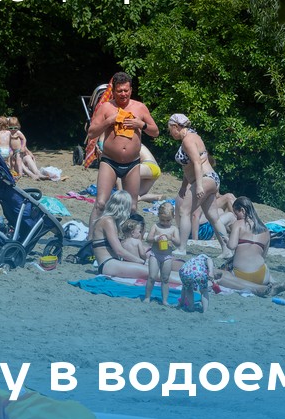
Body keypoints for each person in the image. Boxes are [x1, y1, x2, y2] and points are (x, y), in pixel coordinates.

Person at [87, 73, 159, 221]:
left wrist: (141, 124)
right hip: (109, 161)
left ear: (131, 90)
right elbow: (91, 132)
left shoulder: (140, 107)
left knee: (132, 206)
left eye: (126, 90)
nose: (123, 94)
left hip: (132, 163)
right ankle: (92, 234)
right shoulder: (106, 107)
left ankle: (127, 234)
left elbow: (155, 132)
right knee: (100, 204)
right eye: (119, 91)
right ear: (113, 92)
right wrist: (109, 121)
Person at [168, 113, 228, 253]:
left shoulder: (187, 140)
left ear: (175, 126)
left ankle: (182, 248)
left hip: (205, 179)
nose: (170, 133)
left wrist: (199, 186)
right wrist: (184, 186)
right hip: (212, 178)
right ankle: (227, 250)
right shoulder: (194, 136)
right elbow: (188, 167)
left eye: (170, 129)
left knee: (184, 211)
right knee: (213, 217)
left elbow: (196, 163)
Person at [217, 197, 285, 295]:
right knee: (261, 264)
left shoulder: (238, 224)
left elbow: (232, 246)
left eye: (236, 214)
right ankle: (272, 282)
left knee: (216, 274)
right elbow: (263, 256)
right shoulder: (266, 230)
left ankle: (255, 288)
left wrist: (227, 241)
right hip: (263, 276)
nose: (236, 217)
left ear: (243, 210)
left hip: (241, 275)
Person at [89, 191, 150, 279]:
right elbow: (119, 251)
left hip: (111, 263)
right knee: (153, 272)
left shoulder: (110, 220)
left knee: (156, 271)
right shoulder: (107, 221)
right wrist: (141, 262)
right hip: (108, 264)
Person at [144, 203, 181, 306]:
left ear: (173, 217)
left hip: (167, 256)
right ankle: (147, 297)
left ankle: (165, 300)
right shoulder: (155, 226)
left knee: (165, 279)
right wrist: (156, 238)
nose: (165, 222)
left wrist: (171, 238)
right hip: (155, 254)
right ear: (158, 216)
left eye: (168, 220)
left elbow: (178, 243)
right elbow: (148, 239)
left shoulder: (174, 229)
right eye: (162, 220)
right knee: (152, 277)